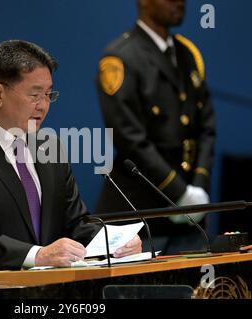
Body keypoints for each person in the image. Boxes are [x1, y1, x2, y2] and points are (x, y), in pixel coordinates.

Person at [0, 40, 142, 288]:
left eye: (49, 94)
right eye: (34, 94)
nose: (43, 105)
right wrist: (37, 256)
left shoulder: (49, 147)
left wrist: (113, 242)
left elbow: (76, 222)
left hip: (52, 295)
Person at [96, 0, 215, 254]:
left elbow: (206, 127)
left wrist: (199, 187)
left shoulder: (187, 54)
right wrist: (178, 193)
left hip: (191, 218)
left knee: (195, 291)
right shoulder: (120, 57)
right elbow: (129, 138)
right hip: (140, 217)